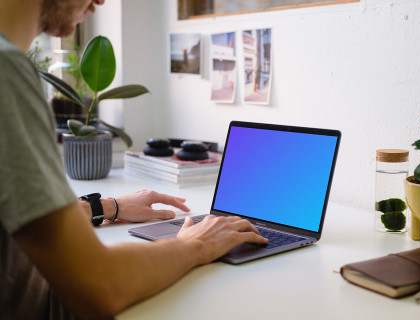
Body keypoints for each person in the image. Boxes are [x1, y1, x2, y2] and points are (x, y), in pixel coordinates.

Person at [0, 1, 268, 319]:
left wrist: (103, 207)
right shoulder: (7, 72)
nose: (101, 1)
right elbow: (100, 285)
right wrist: (197, 245)